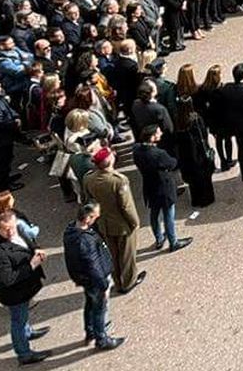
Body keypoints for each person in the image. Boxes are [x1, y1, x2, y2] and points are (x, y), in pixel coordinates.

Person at [0, 209, 52, 365]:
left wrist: (36, 249)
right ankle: (24, 353)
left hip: (25, 287)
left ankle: (28, 332)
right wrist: (32, 265)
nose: (11, 232)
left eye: (12, 227)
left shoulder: (18, 229)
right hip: (15, 293)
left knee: (23, 315)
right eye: (6, 229)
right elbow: (7, 279)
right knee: (18, 321)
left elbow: (29, 242)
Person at [62, 201, 124, 352]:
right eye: (96, 216)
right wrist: (103, 284)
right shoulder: (85, 240)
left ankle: (90, 330)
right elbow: (93, 265)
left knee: (90, 303)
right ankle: (101, 338)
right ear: (88, 218)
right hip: (95, 279)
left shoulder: (71, 230)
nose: (98, 217)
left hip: (84, 278)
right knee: (99, 307)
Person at [81, 147, 144, 294]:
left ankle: (117, 281)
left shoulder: (88, 178)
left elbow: (87, 200)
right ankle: (129, 282)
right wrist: (135, 222)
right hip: (122, 224)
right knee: (127, 255)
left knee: (112, 255)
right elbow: (126, 207)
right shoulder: (118, 180)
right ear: (109, 160)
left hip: (103, 223)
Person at [133, 124, 189, 253]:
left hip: (149, 185)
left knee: (154, 213)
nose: (161, 134)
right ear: (152, 137)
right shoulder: (158, 153)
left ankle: (159, 238)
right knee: (169, 213)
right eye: (158, 133)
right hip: (163, 186)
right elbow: (173, 163)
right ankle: (173, 241)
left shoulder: (137, 151)